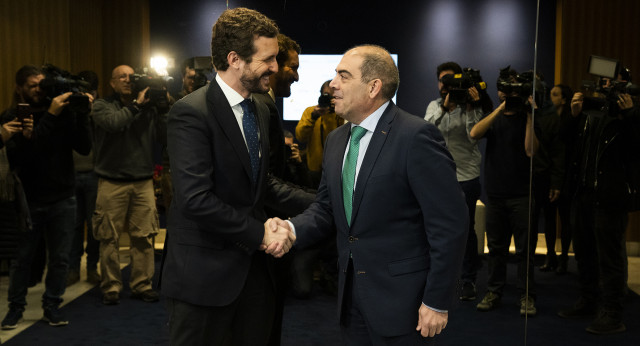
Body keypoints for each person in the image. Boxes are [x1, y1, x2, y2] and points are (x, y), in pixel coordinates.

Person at [268, 44, 468, 344]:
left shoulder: (415, 137)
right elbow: (325, 209)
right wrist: (292, 229)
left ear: (374, 87)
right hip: (351, 303)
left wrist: (436, 300)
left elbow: (449, 224)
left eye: (344, 76)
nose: (333, 84)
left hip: (405, 306)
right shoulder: (337, 140)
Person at [159, 8, 311, 346]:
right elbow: (195, 200)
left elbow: (263, 183)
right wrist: (260, 233)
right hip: (203, 279)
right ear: (234, 59)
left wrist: (323, 203)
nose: (275, 66)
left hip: (257, 277)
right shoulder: (190, 113)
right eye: (268, 58)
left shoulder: (258, 107)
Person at [1, 64, 93, 329]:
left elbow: (85, 148)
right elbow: (27, 156)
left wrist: (81, 114)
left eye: (42, 84)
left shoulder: (62, 114)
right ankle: (15, 308)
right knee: (23, 259)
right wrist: (51, 116)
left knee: (60, 258)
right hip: (29, 201)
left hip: (63, 196)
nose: (39, 89)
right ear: (19, 87)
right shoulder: (13, 117)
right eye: (32, 85)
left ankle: (52, 305)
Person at [557, 88, 639, 334]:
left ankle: (612, 313)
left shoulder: (628, 118)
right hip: (583, 194)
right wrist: (573, 115)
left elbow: (635, 149)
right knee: (583, 252)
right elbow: (564, 139)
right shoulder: (587, 117)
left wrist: (630, 115)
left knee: (609, 258)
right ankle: (588, 300)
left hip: (610, 197)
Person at [91, 64, 167, 305]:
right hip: (111, 181)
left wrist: (164, 104)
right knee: (108, 238)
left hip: (142, 181)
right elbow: (114, 123)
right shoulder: (102, 105)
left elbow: (165, 136)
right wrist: (137, 106)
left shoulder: (148, 107)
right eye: (120, 77)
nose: (126, 80)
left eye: (130, 76)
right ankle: (111, 286)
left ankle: (141, 284)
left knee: (144, 236)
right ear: (112, 83)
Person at [470, 68, 539, 316]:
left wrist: (530, 114)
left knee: (524, 251)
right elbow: (474, 133)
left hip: (522, 194)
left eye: (512, 90)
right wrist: (500, 108)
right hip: (496, 195)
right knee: (496, 249)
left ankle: (527, 295)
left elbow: (531, 150)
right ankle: (494, 291)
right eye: (504, 90)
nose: (508, 94)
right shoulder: (495, 116)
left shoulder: (526, 117)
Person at [424, 61, 483, 301]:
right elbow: (425, 132)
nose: (445, 85)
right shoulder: (433, 106)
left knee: (466, 230)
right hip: (438, 178)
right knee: (435, 229)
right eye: (441, 81)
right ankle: (437, 277)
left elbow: (474, 136)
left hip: (466, 176)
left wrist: (469, 108)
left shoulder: (472, 106)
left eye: (450, 80)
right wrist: (444, 110)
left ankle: (468, 279)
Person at [67, 70, 101, 286]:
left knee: (94, 224)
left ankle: (91, 268)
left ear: (95, 93)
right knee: (74, 225)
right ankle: (72, 269)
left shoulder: (99, 111)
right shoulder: (69, 110)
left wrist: (90, 111)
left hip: (95, 174)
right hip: (70, 174)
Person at [295, 80, 344, 187]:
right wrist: (314, 117)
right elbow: (300, 136)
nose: (328, 99)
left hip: (337, 167)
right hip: (314, 169)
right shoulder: (311, 111)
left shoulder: (342, 113)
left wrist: (339, 111)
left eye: (332, 96)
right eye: (325, 96)